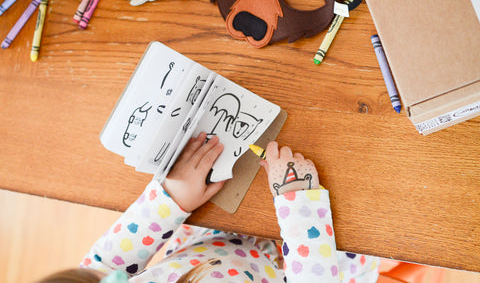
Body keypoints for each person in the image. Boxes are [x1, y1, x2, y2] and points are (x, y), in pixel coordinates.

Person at [37, 132, 379, 283]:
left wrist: (172, 198)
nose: (115, 278)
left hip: (220, 241)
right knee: (367, 211)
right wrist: (298, 203)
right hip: (313, 264)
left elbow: (105, 262)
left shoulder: (101, 277)